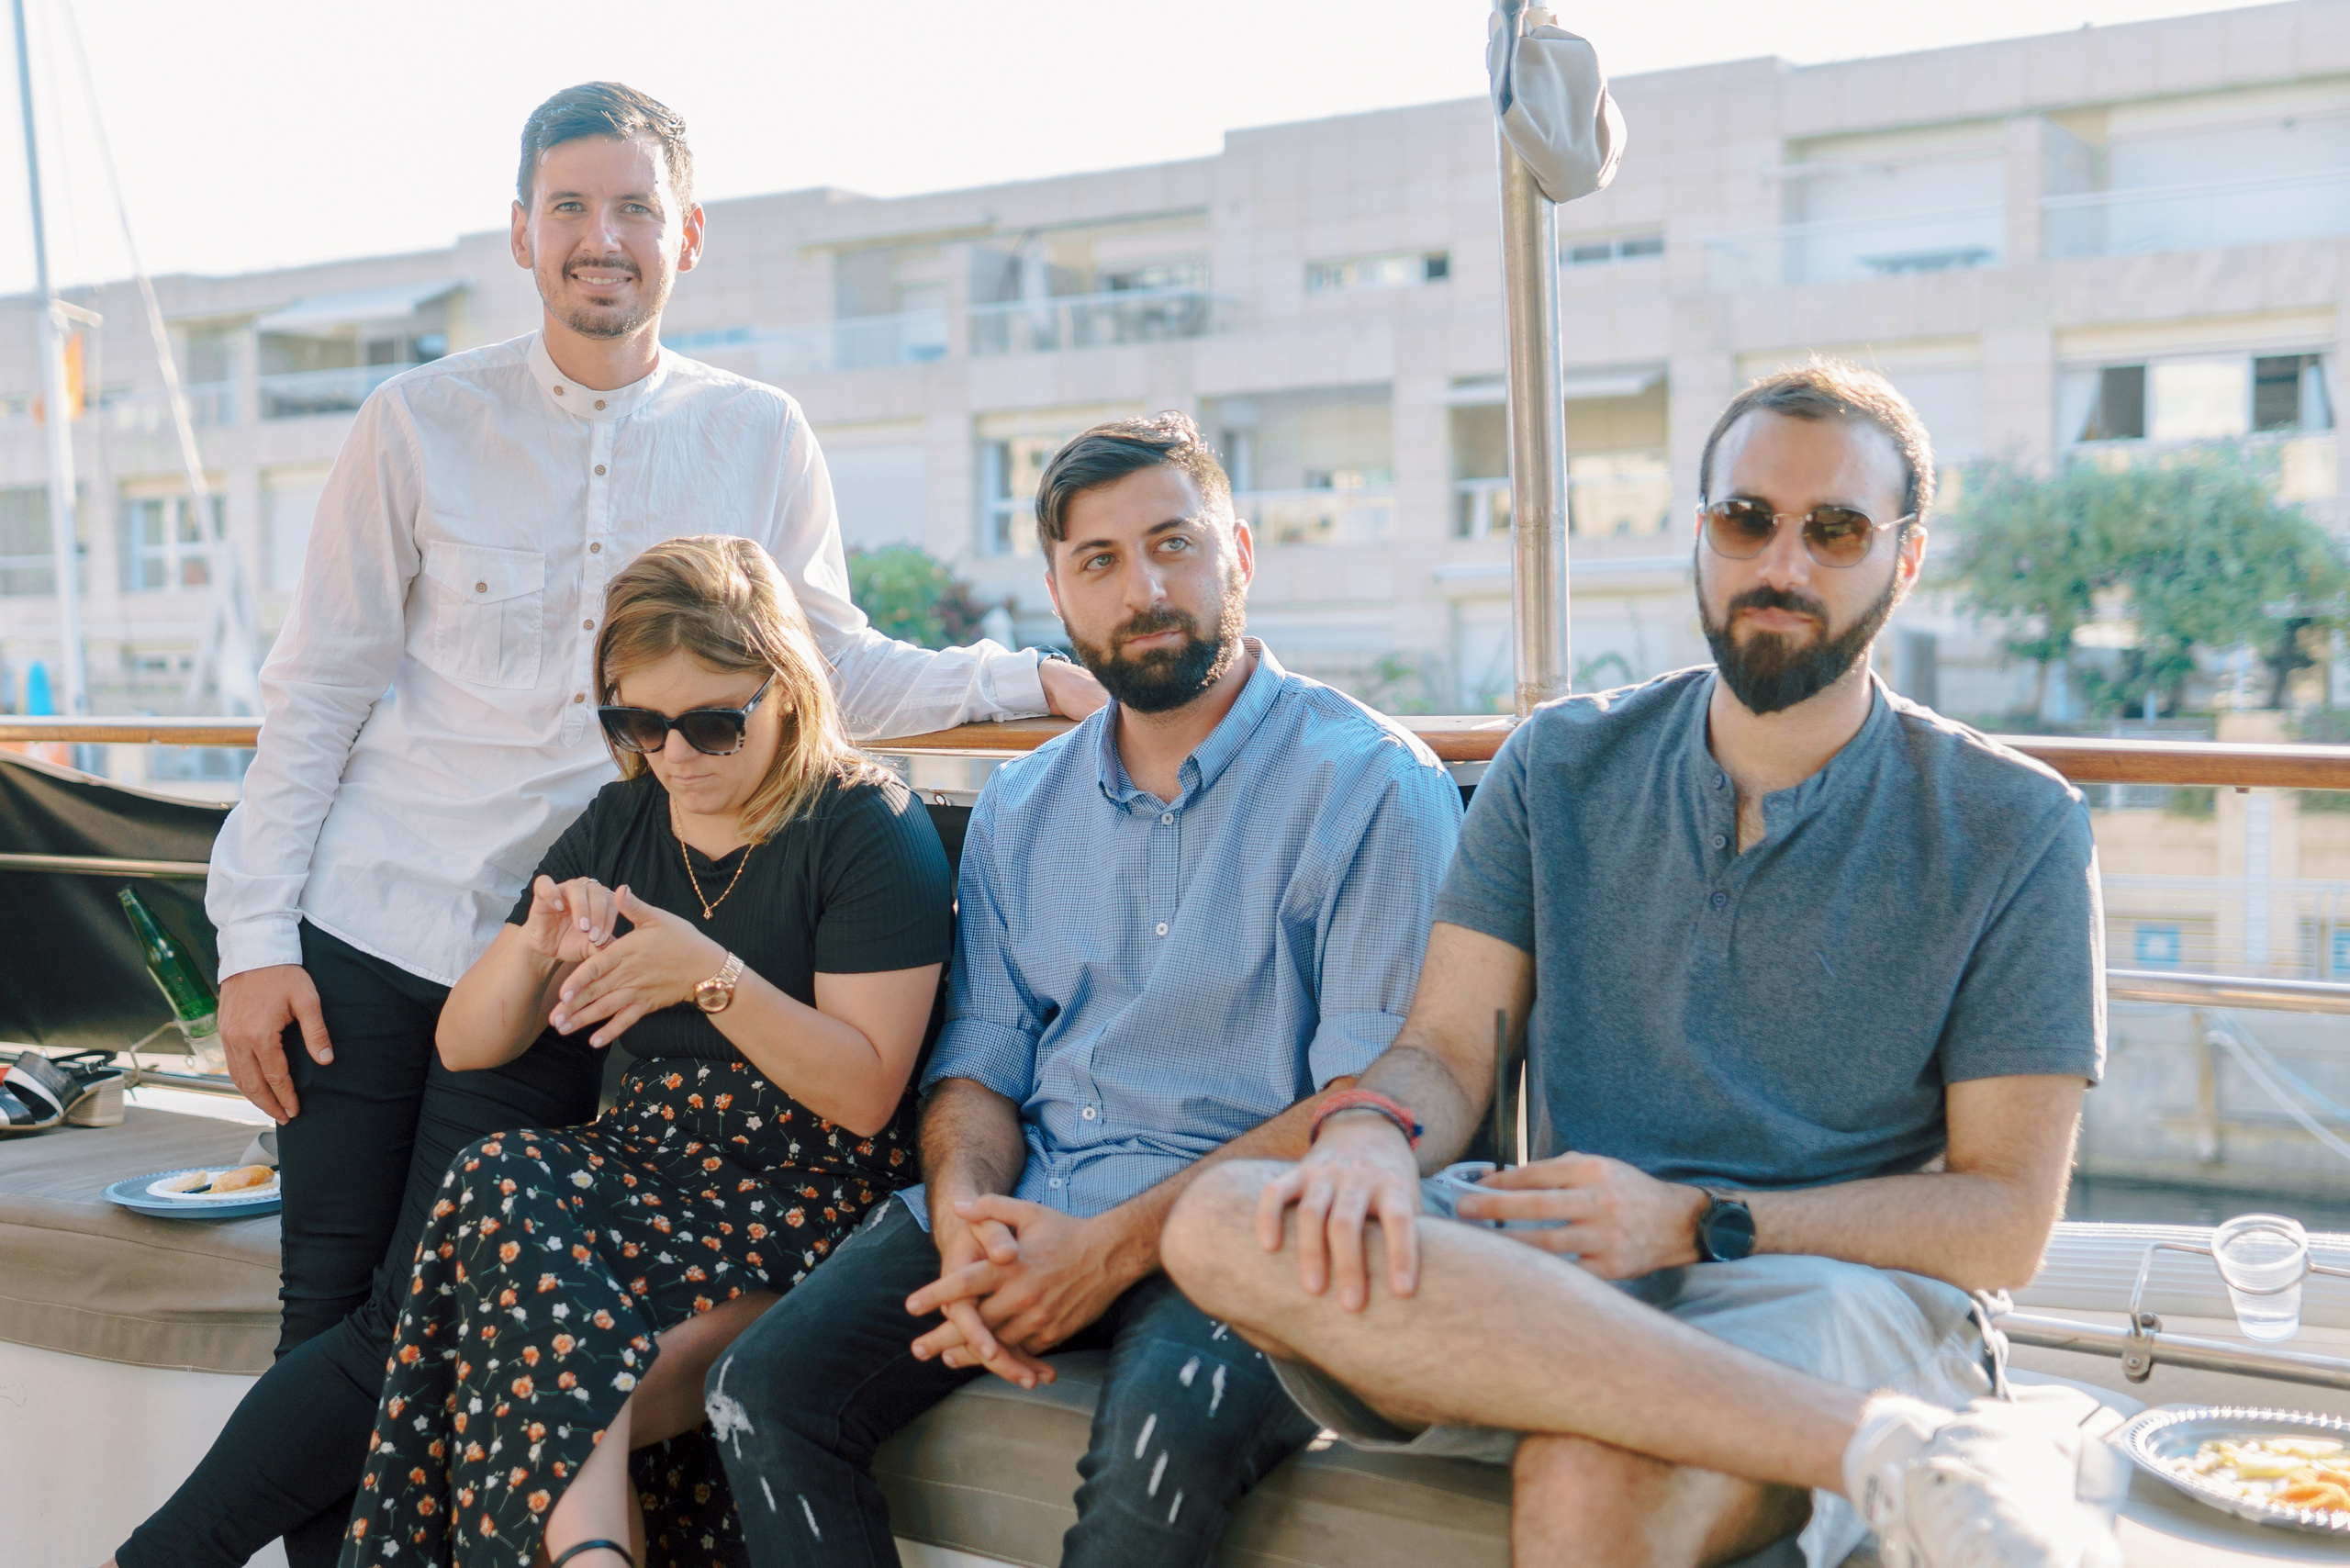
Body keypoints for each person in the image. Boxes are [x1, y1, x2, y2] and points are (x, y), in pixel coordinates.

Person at [118, 82, 1102, 1568]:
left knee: (412, 1327)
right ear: (521, 232)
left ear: (685, 235)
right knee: (326, 1312)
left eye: (636, 207)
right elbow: (313, 691)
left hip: (578, 963)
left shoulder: (757, 432)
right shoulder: (414, 421)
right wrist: (252, 942)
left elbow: (824, 664)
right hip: (376, 925)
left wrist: (1030, 679)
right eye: (570, 206)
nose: (602, 237)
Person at [1160, 362, 2129, 1568]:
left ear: (1908, 557)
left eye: (1836, 529)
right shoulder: (1559, 762)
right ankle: (1898, 1454)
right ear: (1702, 532)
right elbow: (1442, 1054)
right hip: (1562, 1256)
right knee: (1221, 1220)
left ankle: (1884, 1431)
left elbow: (2003, 1223)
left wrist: (1695, 1222)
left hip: (1836, 1282)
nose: (1783, 564)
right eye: (1747, 519)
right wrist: (1367, 1134)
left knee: (1588, 1477)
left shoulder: (2014, 822)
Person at [701, 413, 1464, 1568]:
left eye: (1173, 544)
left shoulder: (1370, 784)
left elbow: (1359, 1101)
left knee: (1153, 1453)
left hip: (1248, 1222)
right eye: (1099, 561)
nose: (1143, 589)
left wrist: (1101, 1251)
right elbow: (980, 1059)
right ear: (1058, 595)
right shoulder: (1022, 803)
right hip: (1036, 1192)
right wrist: (966, 1216)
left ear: (1238, 555)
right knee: (761, 1392)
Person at [338, 534, 953, 1568]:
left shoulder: (863, 824)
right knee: (496, 1172)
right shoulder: (624, 818)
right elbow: (465, 1042)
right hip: (648, 1170)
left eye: (713, 723)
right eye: (639, 723)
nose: (675, 755)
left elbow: (863, 1092)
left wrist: (709, 978)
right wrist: (535, 947)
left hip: (803, 1187)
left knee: (517, 1377)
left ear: (786, 689)